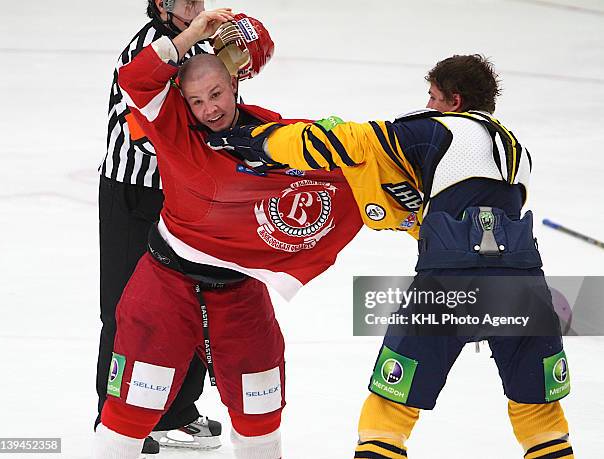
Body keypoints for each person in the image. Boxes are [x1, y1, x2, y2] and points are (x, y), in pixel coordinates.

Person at [208, 55, 575, 458]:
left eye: (434, 97)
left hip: (450, 284)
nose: (429, 104)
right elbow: (466, 210)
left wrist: (261, 141)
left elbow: (347, 141)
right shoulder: (516, 148)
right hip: (524, 283)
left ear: (454, 100)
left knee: (392, 408)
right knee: (541, 417)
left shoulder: (434, 130)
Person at [94, 7, 363, 459]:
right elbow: (136, 80)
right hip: (164, 283)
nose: (210, 109)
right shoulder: (175, 121)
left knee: (260, 420)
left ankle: (179, 415)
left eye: (216, 95)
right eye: (197, 101)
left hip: (239, 298)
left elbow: (347, 170)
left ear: (236, 84)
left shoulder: (274, 132)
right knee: (128, 414)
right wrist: (195, 32)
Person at [97, 0, 222, 453]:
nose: (197, 7)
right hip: (134, 193)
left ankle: (177, 412)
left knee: (189, 303)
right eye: (186, 1)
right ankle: (112, 415)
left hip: (182, 195)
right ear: (162, 5)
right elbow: (138, 126)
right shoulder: (149, 47)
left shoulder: (201, 46)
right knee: (124, 308)